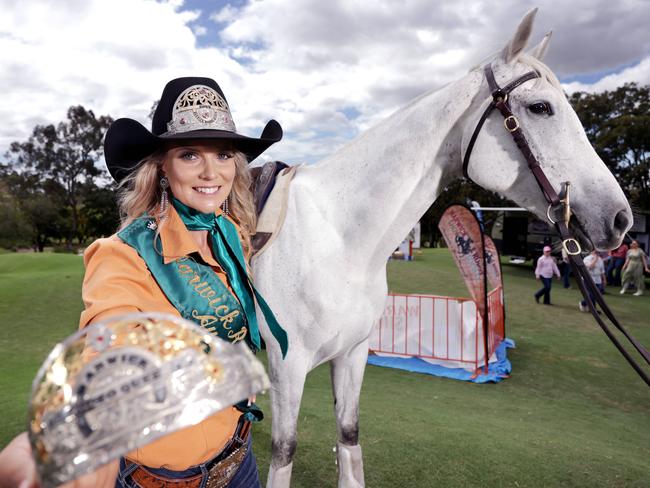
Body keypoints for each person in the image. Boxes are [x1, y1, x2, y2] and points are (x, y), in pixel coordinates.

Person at [0, 77, 288, 488]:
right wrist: (72, 440)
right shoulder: (121, 254)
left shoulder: (229, 233)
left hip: (240, 461)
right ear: (162, 167)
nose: (212, 172)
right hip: (163, 479)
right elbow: (107, 356)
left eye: (223, 154)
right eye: (190, 155)